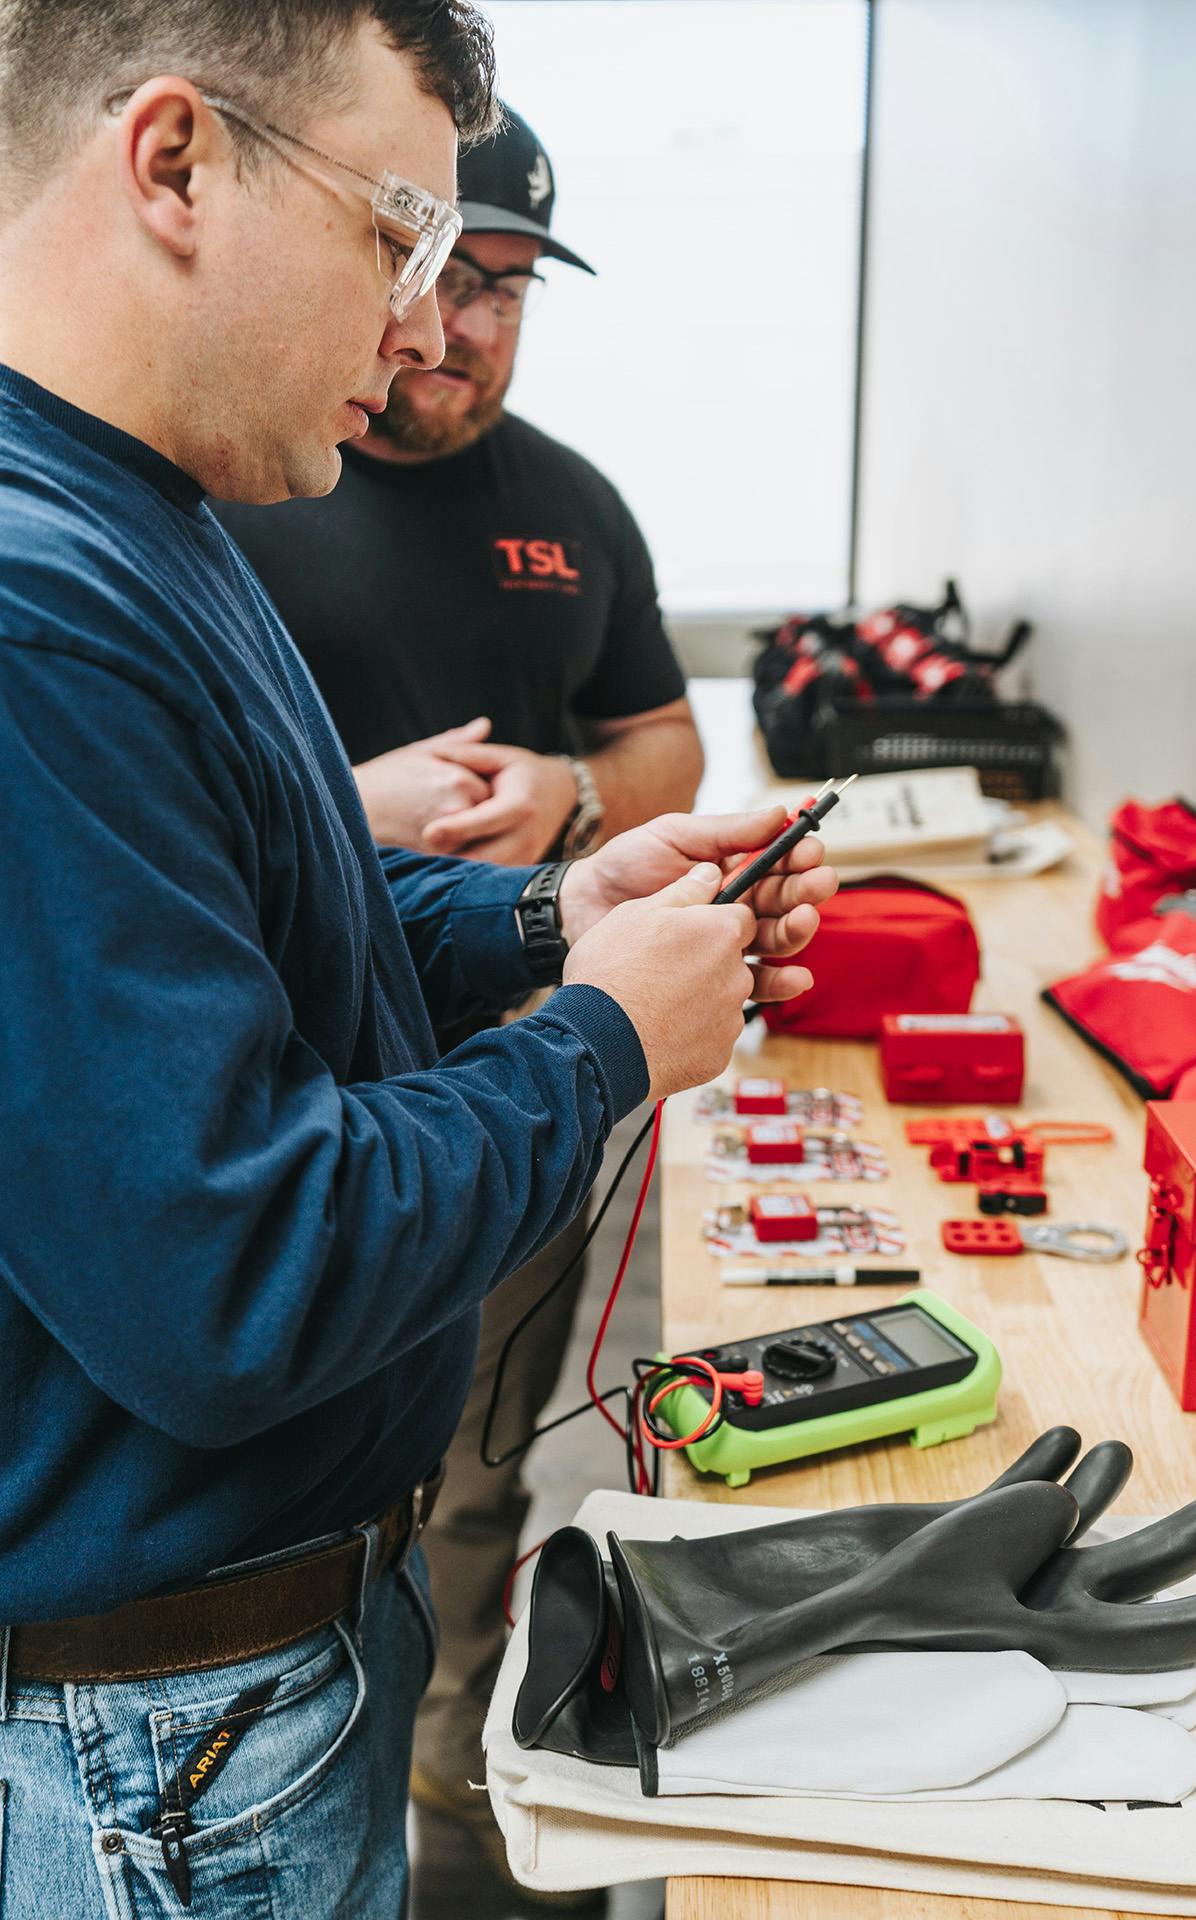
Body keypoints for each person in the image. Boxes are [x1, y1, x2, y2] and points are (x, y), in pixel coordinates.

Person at [0, 5, 835, 1916]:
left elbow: (281, 930)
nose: (417, 324)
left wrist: (557, 917)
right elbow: (239, 1274)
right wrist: (606, 1042)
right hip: (169, 1740)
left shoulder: (152, 515)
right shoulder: (36, 614)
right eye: (394, 235)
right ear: (175, 163)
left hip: (262, 1661)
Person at [214, 104, 704, 1870]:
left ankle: (447, 1808)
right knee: (279, 1454)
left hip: (511, 1056)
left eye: (506, 288)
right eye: (430, 271)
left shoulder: (572, 509)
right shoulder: (229, 488)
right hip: (266, 1076)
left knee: (466, 1465)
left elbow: (658, 737)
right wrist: (349, 814)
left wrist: (574, 817)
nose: (463, 327)